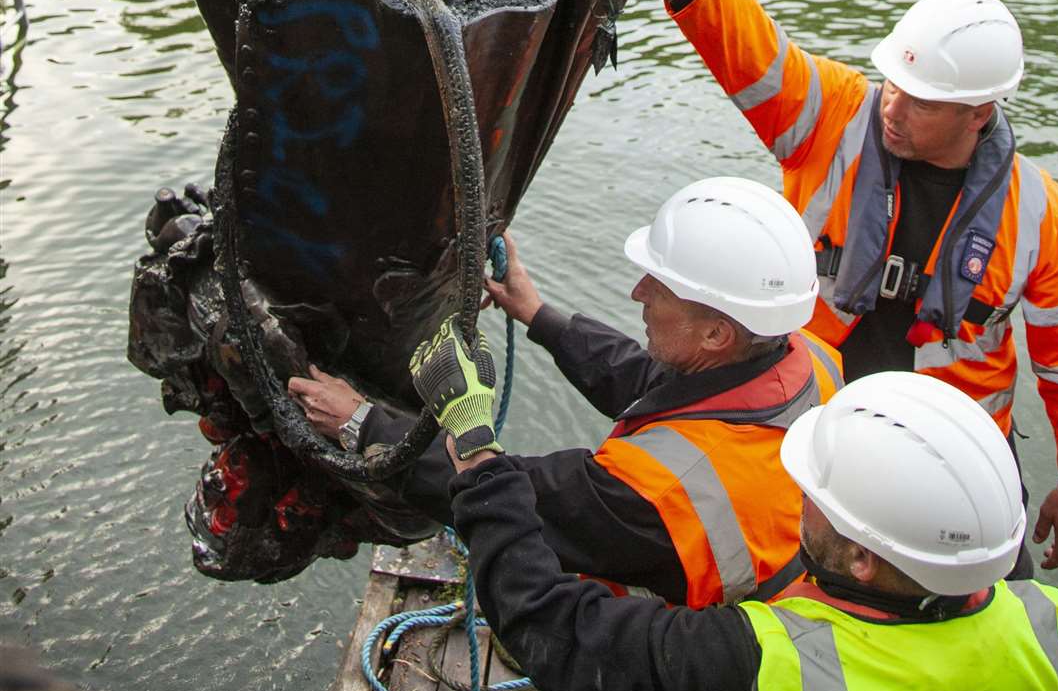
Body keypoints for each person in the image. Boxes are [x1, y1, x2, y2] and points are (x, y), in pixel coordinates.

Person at [585, 0, 1058, 576]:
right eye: (893, 83)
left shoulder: (1044, 218)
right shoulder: (834, 117)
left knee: (994, 605)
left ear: (979, 112)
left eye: (923, 101)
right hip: (811, 426)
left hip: (950, 453)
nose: (894, 107)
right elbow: (755, 53)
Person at [409, 335, 1058, 691]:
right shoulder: (1053, 622)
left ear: (862, 561)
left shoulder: (766, 663)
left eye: (816, 493)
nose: (797, 490)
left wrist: (476, 448)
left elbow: (556, 628)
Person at [289, 177, 842, 606]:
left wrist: (361, 423)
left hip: (692, 659)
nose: (636, 292)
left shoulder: (667, 494)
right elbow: (652, 382)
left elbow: (521, 498)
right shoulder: (805, 359)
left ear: (718, 333)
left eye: (659, 285)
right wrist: (537, 313)